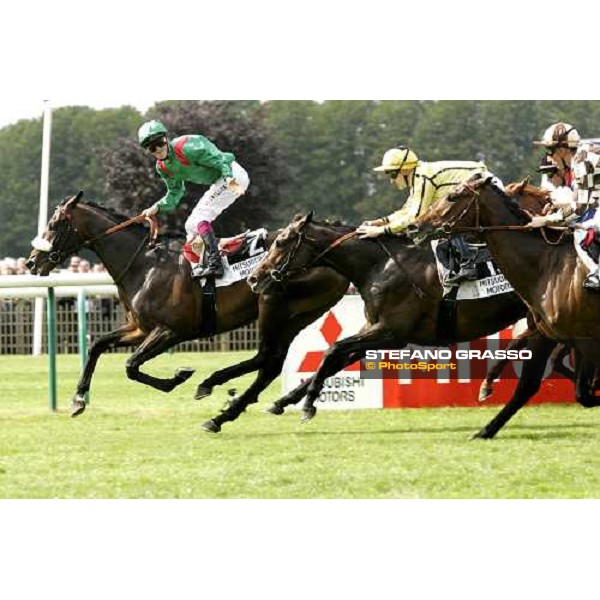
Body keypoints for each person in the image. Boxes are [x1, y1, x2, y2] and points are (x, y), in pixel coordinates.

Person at [356, 146, 488, 283]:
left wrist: (380, 230)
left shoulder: (423, 177)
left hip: (483, 183)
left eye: (392, 174)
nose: (391, 180)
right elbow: (407, 210)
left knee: (441, 223)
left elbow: (414, 217)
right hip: (471, 185)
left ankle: (468, 266)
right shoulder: (419, 176)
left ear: (405, 170)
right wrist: (380, 222)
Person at [138, 120, 250, 278]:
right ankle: (210, 260)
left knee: (200, 218)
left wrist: (229, 180)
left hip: (231, 175)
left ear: (166, 138)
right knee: (191, 226)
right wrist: (156, 207)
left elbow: (220, 160)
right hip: (222, 181)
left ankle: (215, 264)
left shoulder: (187, 146)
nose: (158, 149)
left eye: (160, 142)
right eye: (152, 147)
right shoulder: (162, 168)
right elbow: (175, 192)